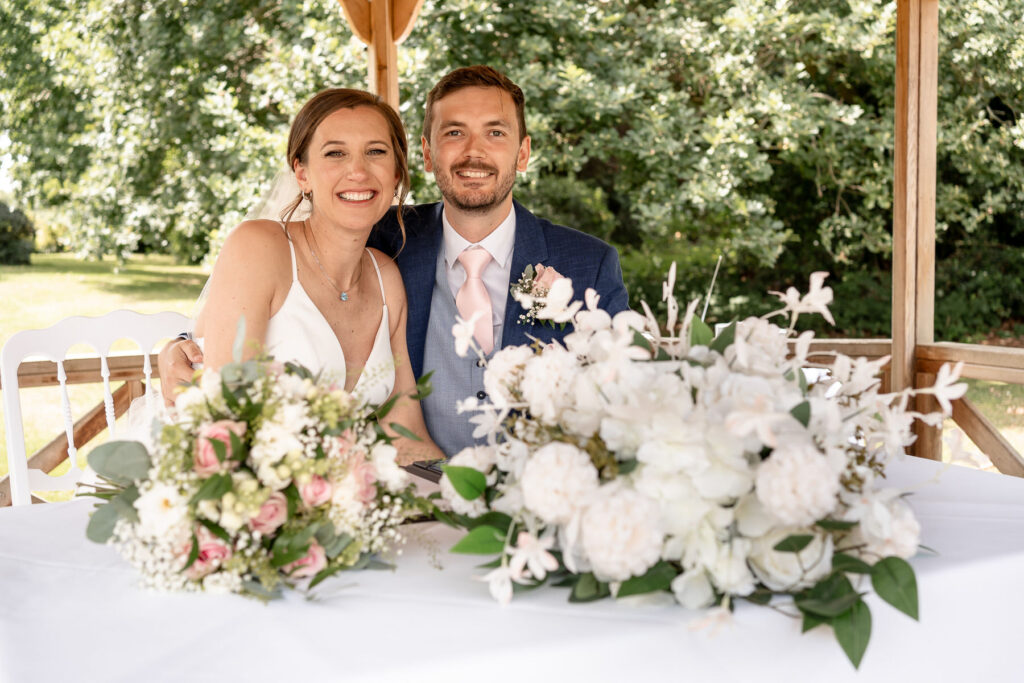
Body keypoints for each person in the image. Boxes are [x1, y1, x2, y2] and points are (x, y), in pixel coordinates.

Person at [162, 66, 628, 458]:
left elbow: (626, 394)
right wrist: (185, 347)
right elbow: (247, 314)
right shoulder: (387, 237)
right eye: (453, 133)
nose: (474, 152)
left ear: (523, 153)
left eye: (496, 132)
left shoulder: (588, 265)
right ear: (425, 155)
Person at [185, 88, 444, 466]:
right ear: (302, 173)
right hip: (227, 488)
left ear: (397, 173)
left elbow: (403, 432)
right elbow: (223, 422)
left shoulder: (386, 276)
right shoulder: (260, 248)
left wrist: (473, 497)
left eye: (376, 152)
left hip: (334, 502)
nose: (358, 171)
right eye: (335, 153)